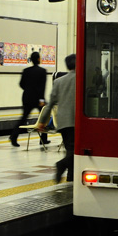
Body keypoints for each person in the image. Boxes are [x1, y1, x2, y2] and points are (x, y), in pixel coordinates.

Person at [38, 54, 76, 183]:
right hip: (77, 122)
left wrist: (42, 121)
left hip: (63, 121)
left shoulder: (59, 81)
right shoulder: (83, 79)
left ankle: (71, 178)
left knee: (70, 150)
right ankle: (61, 165)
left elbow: (50, 104)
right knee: (75, 152)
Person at [9, 51, 48, 147]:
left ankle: (14, 136)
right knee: (44, 117)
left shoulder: (26, 71)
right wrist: (42, 100)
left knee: (23, 118)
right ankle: (43, 139)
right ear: (38, 59)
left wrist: (28, 90)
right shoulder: (42, 71)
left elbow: (21, 84)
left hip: (27, 98)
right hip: (38, 99)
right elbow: (43, 87)